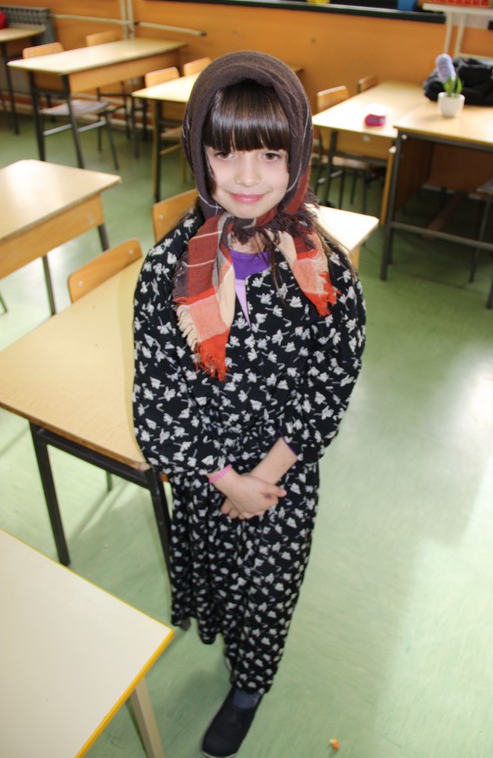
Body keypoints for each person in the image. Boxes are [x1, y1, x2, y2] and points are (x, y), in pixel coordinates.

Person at [132, 51, 366, 758]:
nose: (246, 177)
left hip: (281, 481)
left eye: (269, 154)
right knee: (216, 575)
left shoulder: (323, 269)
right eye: (225, 153)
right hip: (206, 477)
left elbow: (332, 378)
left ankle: (248, 688)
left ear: (298, 157)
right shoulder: (169, 271)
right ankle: (224, 639)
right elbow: (160, 396)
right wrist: (224, 478)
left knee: (265, 593)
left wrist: (263, 475)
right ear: (198, 153)